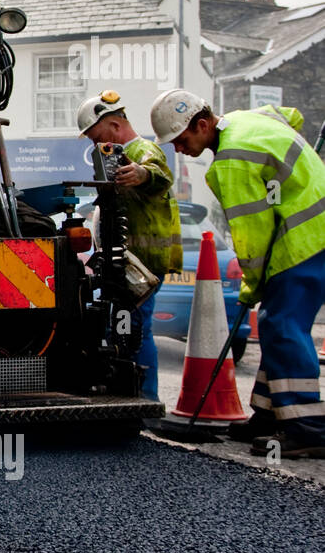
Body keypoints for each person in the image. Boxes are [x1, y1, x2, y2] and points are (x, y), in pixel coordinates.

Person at [152, 89, 325, 458]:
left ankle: (308, 427)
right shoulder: (249, 119)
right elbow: (291, 115)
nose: (179, 150)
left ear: (203, 124)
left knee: (282, 326)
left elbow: (253, 238)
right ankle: (268, 415)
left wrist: (251, 285)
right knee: (278, 323)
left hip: (306, 241)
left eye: (182, 141)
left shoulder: (230, 163)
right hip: (313, 231)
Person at [75, 90, 182, 400]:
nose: (95, 145)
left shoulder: (143, 150)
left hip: (142, 264)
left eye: (97, 137)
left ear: (114, 125)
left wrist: (141, 174)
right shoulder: (117, 156)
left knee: (135, 330)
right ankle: (131, 392)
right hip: (129, 261)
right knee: (124, 327)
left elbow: (159, 174)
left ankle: (144, 398)